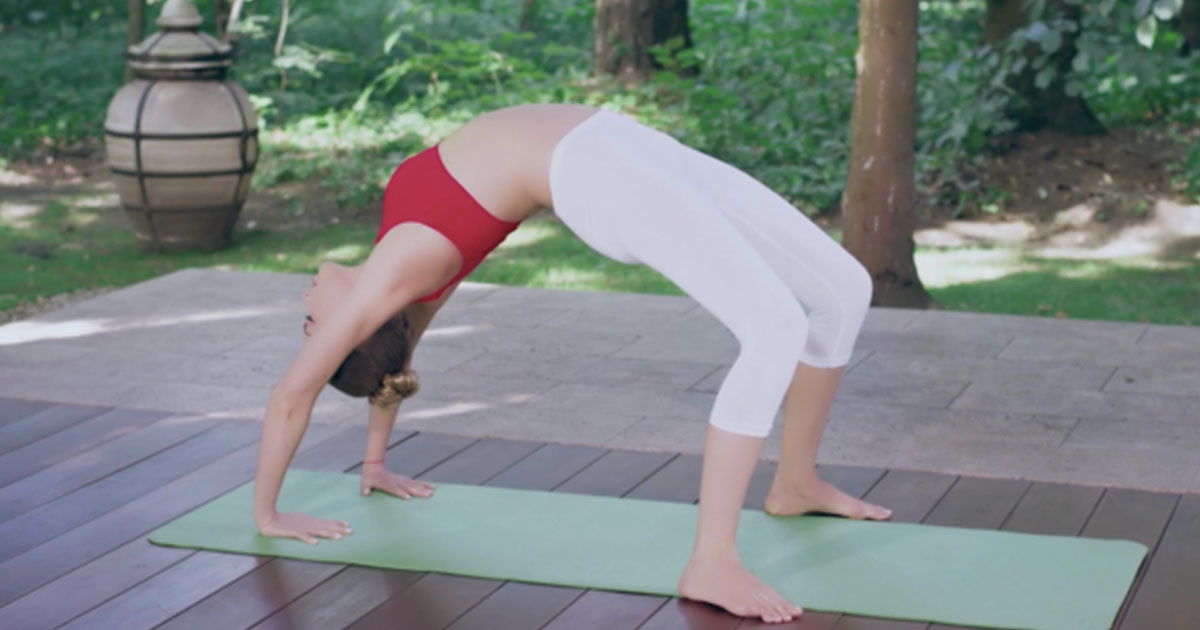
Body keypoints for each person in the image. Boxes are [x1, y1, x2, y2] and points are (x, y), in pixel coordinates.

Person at [252, 103, 892, 624]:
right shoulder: (390, 277)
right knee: (775, 327)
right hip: (599, 178)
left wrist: (374, 463)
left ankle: (795, 483)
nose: (307, 307)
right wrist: (268, 514)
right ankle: (712, 561)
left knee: (843, 290)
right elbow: (290, 397)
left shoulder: (404, 281)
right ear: (354, 331)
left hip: (625, 144)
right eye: (315, 330)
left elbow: (398, 364)